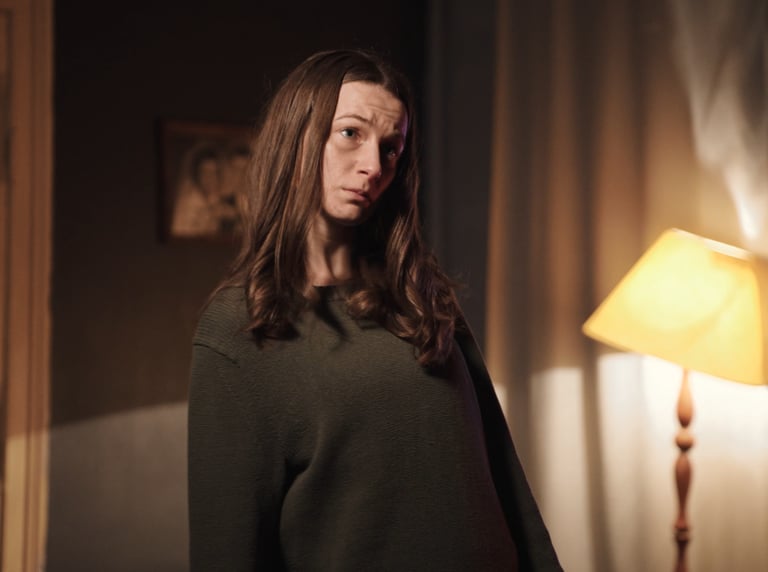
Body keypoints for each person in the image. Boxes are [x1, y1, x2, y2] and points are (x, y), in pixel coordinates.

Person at [187, 49, 561, 571]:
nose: (373, 166)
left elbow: (504, 476)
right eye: (350, 133)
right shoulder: (242, 326)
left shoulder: (421, 295)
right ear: (297, 135)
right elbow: (227, 549)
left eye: (391, 148)